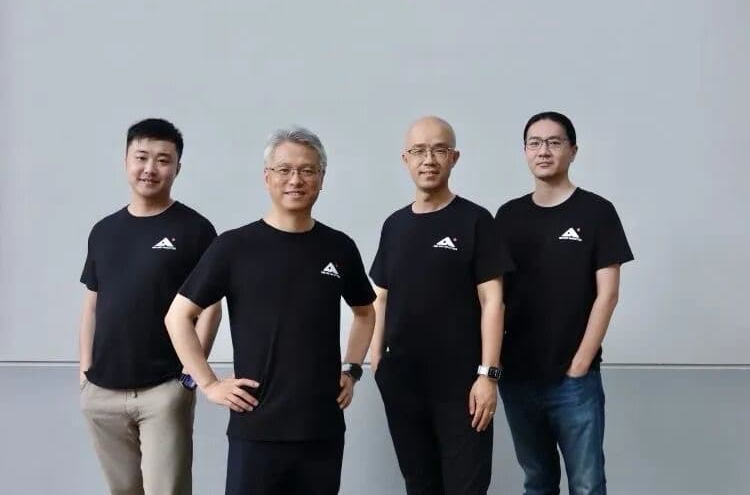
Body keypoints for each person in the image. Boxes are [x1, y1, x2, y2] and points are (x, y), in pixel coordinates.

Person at [165, 126, 376, 495]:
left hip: (321, 428)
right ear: (267, 177)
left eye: (307, 170)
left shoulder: (339, 247)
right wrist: (209, 384)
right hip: (256, 428)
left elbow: (365, 312)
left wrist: (353, 369)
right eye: (284, 170)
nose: (295, 180)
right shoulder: (234, 247)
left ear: (321, 178)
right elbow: (177, 316)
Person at [370, 116, 513, 495]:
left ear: (454, 158)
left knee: (466, 486)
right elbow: (381, 296)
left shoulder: (475, 220)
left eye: (439, 150)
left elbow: (493, 301)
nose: (428, 159)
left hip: (463, 384)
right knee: (419, 484)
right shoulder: (394, 225)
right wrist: (377, 360)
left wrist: (488, 375)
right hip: (403, 379)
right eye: (418, 151)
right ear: (405, 159)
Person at [79, 118, 220, 495]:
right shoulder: (104, 231)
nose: (150, 168)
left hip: (163, 389)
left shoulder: (195, 229)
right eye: (141, 157)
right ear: (125, 161)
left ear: (177, 168)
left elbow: (210, 307)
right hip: (102, 391)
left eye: (163, 160)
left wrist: (190, 377)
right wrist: (84, 373)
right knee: (123, 490)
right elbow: (92, 304)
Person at [496, 111, 634, 495]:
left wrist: (580, 363)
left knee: (587, 484)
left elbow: (608, 293)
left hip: (573, 380)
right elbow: (495, 297)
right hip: (518, 377)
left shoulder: (597, 212)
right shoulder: (507, 216)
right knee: (537, 482)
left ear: (572, 151)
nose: (544, 151)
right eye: (535, 143)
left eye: (554, 142)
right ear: (525, 152)